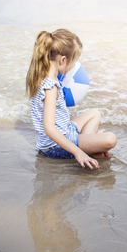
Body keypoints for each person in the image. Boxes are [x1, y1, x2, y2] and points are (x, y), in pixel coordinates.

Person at [26, 29, 117, 170]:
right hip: (54, 146)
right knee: (110, 139)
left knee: (94, 113)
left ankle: (90, 142)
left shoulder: (42, 76)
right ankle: (89, 148)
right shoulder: (50, 88)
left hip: (65, 130)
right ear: (62, 60)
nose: (73, 66)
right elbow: (49, 129)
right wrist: (78, 153)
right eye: (73, 62)